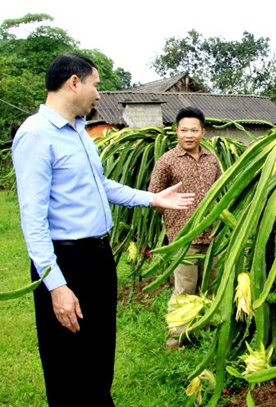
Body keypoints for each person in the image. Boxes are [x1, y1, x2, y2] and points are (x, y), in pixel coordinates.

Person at [12, 52, 196, 407]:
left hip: (97, 255)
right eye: (96, 85)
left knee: (98, 352)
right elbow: (32, 220)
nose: (99, 94)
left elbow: (100, 184)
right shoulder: (36, 136)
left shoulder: (79, 132)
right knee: (67, 362)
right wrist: (57, 286)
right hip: (66, 259)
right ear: (74, 83)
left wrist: (151, 199)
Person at [148, 106, 222, 349]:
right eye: (183, 130)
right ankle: (176, 339)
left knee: (209, 287)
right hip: (183, 237)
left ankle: (205, 333)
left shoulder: (212, 159)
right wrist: (174, 219)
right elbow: (155, 197)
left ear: (203, 132)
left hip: (213, 235)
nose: (188, 135)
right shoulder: (166, 161)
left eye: (194, 130)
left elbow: (221, 189)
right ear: (176, 132)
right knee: (185, 289)